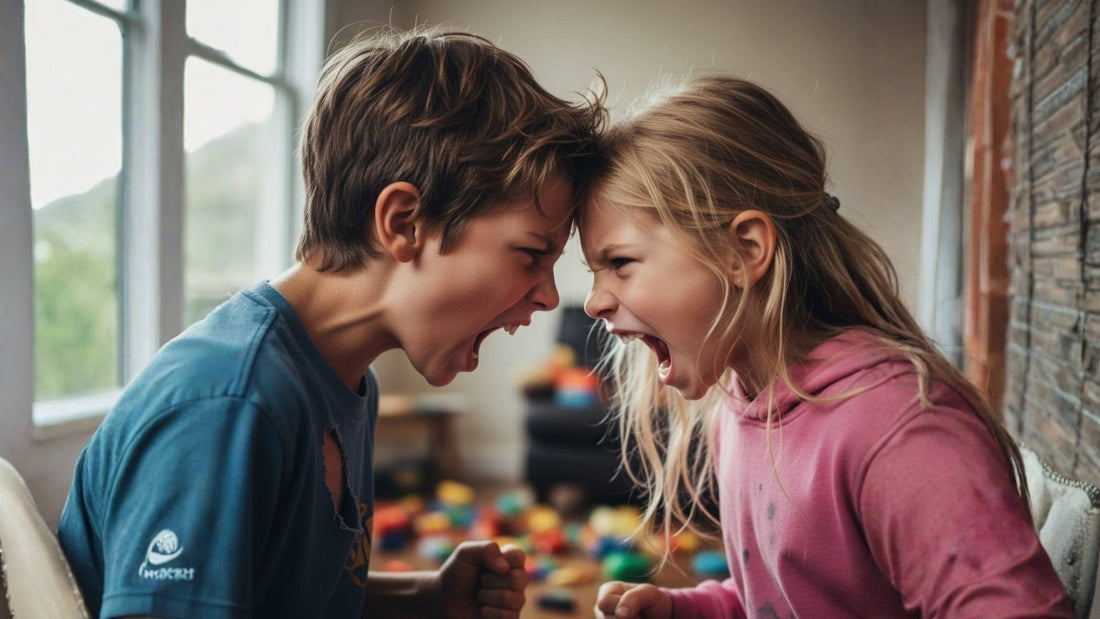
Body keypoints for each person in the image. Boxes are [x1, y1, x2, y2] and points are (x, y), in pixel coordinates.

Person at [57, 27, 603, 619]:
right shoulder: (229, 404)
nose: (550, 297)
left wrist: (429, 597)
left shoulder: (343, 383)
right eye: (530, 254)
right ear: (403, 223)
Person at [579, 75, 1072, 618]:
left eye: (619, 263)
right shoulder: (737, 412)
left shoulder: (898, 427)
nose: (593, 302)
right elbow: (780, 601)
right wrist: (687, 611)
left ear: (743, 252)